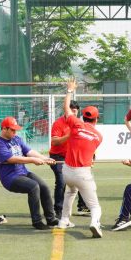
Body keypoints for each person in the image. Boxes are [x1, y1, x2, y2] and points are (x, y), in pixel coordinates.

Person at [56, 78, 105, 238]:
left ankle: (63, 220)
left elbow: (66, 108)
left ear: (83, 116)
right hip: (83, 173)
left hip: (67, 171)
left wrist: (70, 90)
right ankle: (95, 223)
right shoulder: (98, 136)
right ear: (96, 119)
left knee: (70, 192)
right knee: (95, 206)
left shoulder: (76, 124)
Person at [0, 116, 57, 230]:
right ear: (4, 129)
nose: (15, 132)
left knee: (44, 187)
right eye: (12, 130)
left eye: (15, 130)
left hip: (23, 172)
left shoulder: (17, 139)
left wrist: (44, 158)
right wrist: (32, 160)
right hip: (10, 178)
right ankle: (37, 221)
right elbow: (11, 159)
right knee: (34, 187)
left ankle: (51, 219)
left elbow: (29, 151)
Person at [49, 99, 89, 218]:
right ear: (66, 110)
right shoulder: (58, 123)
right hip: (58, 157)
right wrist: (69, 136)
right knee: (61, 181)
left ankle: (82, 207)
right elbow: (54, 141)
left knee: (82, 177)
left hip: (73, 156)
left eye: (75, 111)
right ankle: (58, 210)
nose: (73, 113)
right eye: (71, 110)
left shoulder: (80, 123)